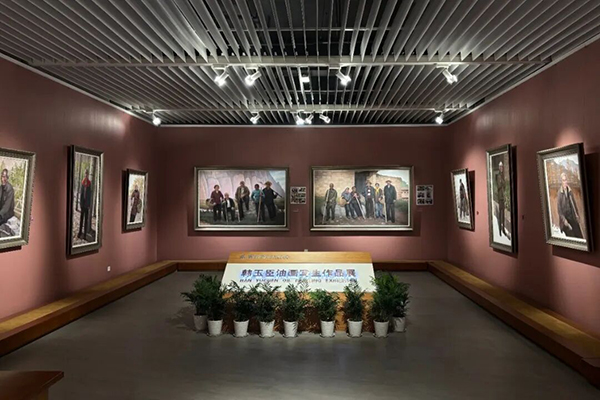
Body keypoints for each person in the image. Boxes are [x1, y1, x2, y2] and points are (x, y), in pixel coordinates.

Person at [557, 172, 583, 239]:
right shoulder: (559, 193)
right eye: (563, 180)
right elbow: (559, 210)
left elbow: (574, 205)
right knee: (571, 237)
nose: (565, 182)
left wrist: (577, 215)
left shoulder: (570, 191)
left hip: (572, 217)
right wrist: (564, 220)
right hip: (565, 219)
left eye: (566, 180)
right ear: (561, 182)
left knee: (579, 236)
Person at [77, 169, 93, 240]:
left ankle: (85, 234)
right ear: (84, 174)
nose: (86, 175)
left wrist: (89, 204)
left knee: (86, 220)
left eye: (87, 174)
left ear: (88, 174)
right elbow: (81, 194)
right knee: (81, 219)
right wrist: (80, 203)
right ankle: (80, 232)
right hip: (82, 204)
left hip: (87, 205)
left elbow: (89, 195)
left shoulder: (89, 183)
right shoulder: (82, 182)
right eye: (85, 173)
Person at [495, 162, 507, 237]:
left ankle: (503, 230)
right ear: (499, 168)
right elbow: (499, 185)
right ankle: (500, 230)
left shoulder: (502, 175)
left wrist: (502, 183)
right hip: (500, 197)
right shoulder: (498, 176)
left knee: (503, 214)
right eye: (500, 167)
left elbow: (504, 186)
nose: (501, 168)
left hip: (503, 197)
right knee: (500, 214)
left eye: (502, 167)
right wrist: (502, 182)